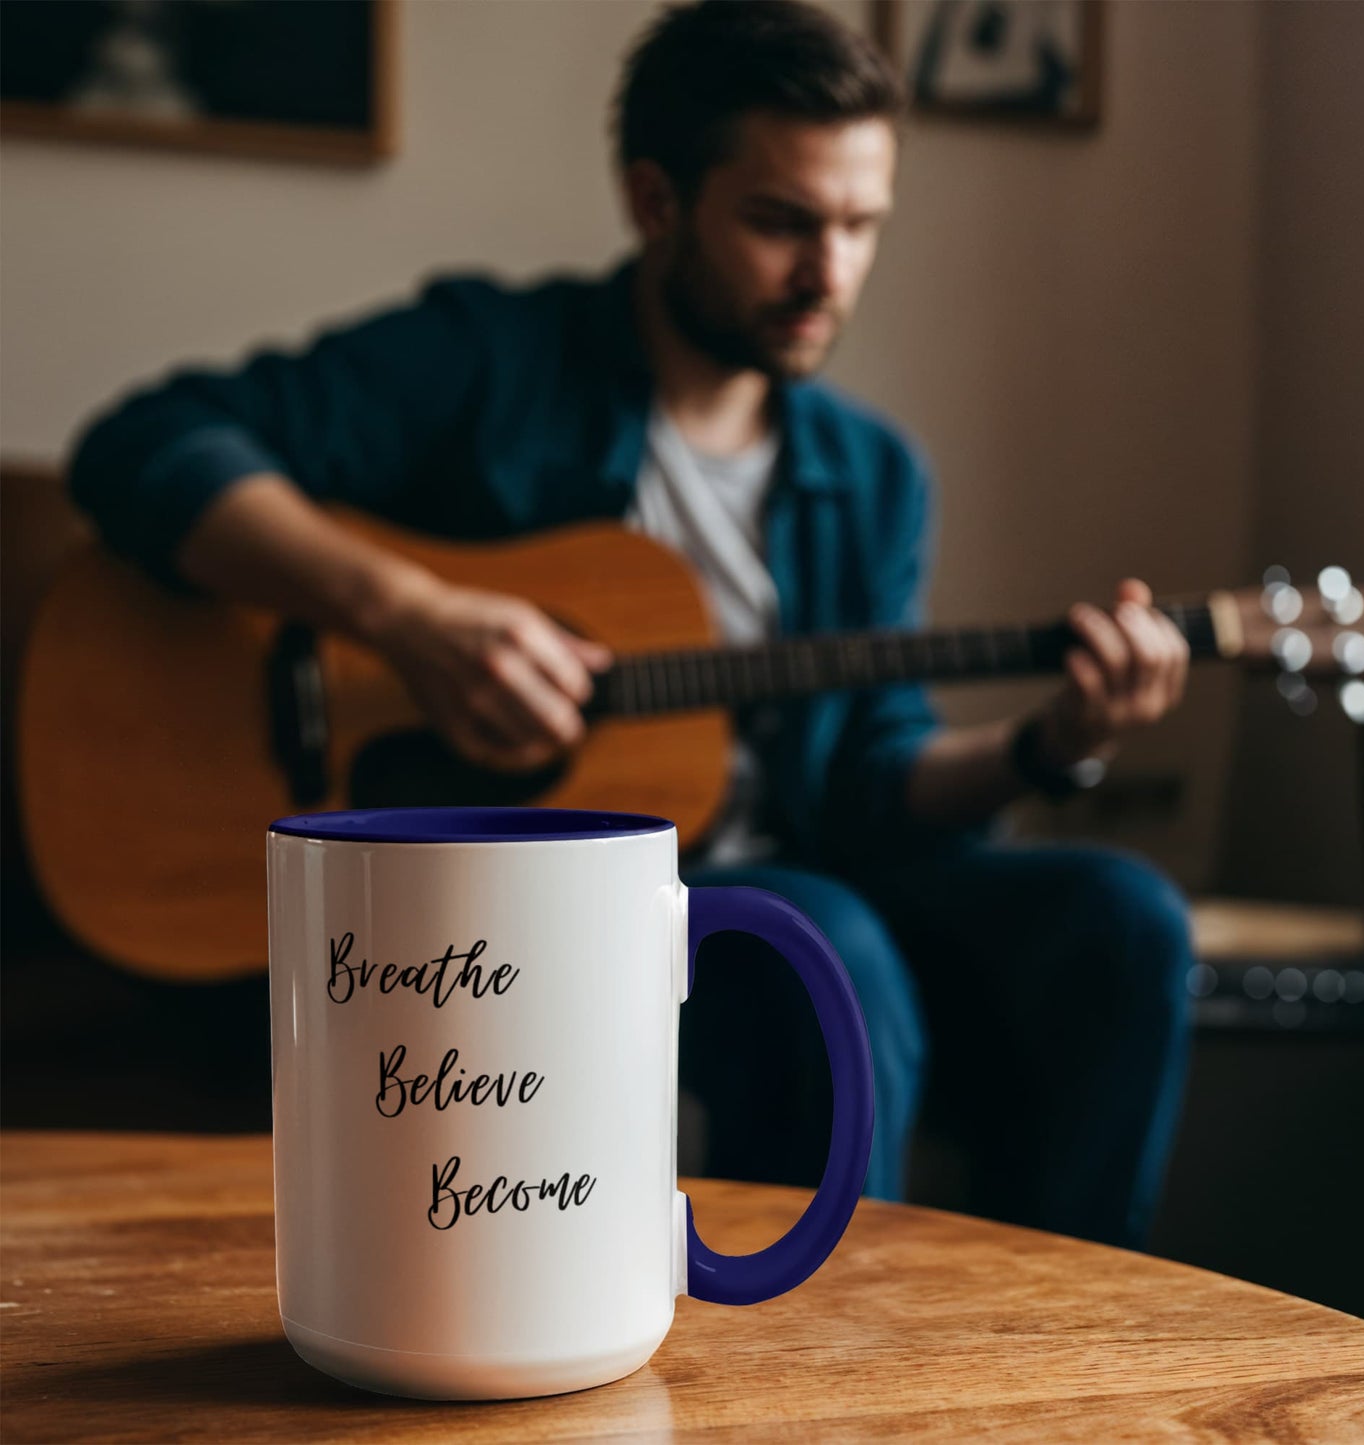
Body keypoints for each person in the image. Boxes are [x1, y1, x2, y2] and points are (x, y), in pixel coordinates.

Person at [69, 0, 1194, 1249]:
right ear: (656, 201)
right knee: (819, 936)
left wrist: (1048, 743)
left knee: (1122, 915)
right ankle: (810, 1356)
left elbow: (876, 774)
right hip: (542, 914)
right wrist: (410, 612)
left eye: (861, 225)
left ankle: (1078, 1328)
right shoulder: (491, 361)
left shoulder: (873, 474)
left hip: (806, 880)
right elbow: (146, 441)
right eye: (781, 222)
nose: (830, 274)